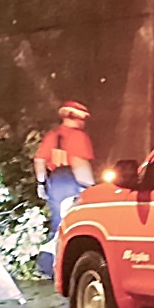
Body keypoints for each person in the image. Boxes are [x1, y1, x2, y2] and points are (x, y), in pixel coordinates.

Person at [34, 101, 96, 278]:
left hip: (55, 182)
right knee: (75, 226)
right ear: (76, 118)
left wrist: (41, 183)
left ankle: (46, 266)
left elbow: (39, 160)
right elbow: (79, 162)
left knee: (57, 224)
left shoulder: (53, 135)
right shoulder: (79, 136)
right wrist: (90, 188)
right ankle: (66, 268)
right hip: (72, 182)